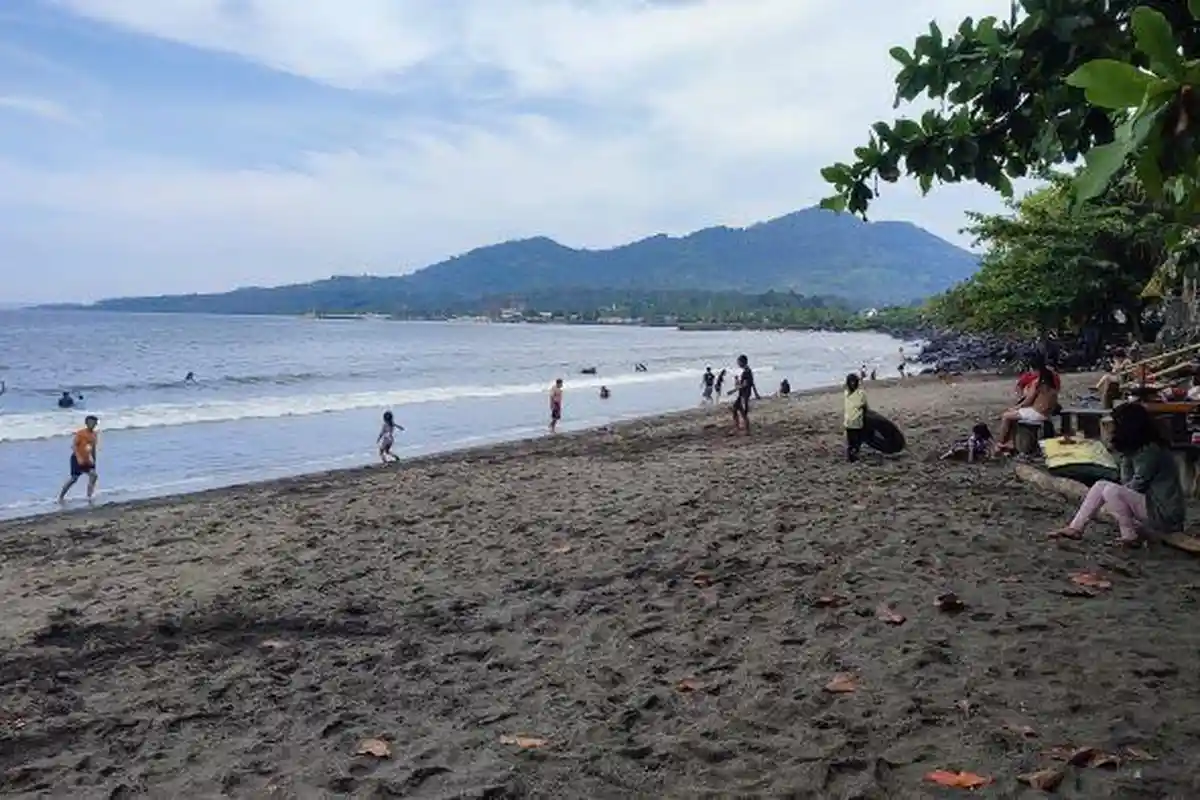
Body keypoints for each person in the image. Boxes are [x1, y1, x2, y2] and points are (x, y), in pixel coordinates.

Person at [1049, 402, 1184, 545]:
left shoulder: (1150, 451)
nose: (1112, 429)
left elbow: (1137, 485)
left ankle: (1129, 535)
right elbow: (1126, 481)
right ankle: (1075, 527)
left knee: (1111, 491)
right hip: (1152, 506)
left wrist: (1112, 502)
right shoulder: (1137, 449)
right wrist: (1125, 454)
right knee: (1101, 485)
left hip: (1164, 513)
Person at [997, 359, 1059, 452]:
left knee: (1006, 416)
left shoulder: (1038, 383)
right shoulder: (1052, 383)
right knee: (1014, 417)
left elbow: (1028, 401)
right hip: (1046, 414)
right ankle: (1011, 442)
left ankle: (1000, 444)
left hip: (1037, 413)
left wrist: (1016, 407)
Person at [58, 415, 99, 503]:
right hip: (76, 458)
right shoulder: (81, 433)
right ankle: (61, 497)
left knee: (94, 475)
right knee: (74, 479)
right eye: (90, 422)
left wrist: (94, 460)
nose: (92, 424)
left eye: (94, 423)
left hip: (87, 459)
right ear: (86, 423)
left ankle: (89, 496)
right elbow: (74, 446)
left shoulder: (94, 434)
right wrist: (79, 458)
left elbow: (93, 448)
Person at [728, 354, 760, 433]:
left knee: (742, 411)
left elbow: (745, 384)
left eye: (738, 362)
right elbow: (751, 383)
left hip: (744, 394)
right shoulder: (747, 371)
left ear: (743, 362)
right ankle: (739, 427)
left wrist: (733, 391)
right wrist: (756, 393)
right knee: (736, 409)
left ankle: (745, 429)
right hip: (743, 393)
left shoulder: (747, 372)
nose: (738, 363)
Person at [844, 373, 867, 462]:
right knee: (852, 441)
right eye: (851, 382)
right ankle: (851, 456)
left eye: (854, 382)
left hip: (857, 421)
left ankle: (853, 455)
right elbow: (864, 406)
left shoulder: (858, 393)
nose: (852, 383)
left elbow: (864, 406)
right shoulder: (847, 393)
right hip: (850, 421)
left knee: (857, 441)